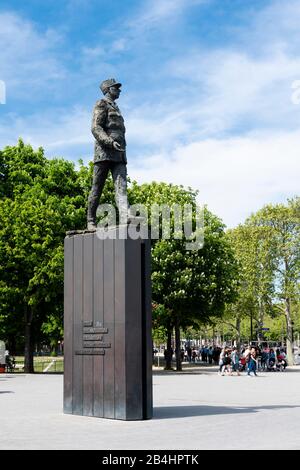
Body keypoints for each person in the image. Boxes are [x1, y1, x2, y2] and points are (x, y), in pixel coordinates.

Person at [87, 78, 129, 230]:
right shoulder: (101, 103)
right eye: (116, 87)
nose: (119, 90)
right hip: (104, 152)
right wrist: (109, 142)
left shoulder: (116, 107)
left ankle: (125, 216)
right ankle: (91, 220)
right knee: (97, 187)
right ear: (108, 89)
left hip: (119, 153)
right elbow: (96, 127)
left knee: (121, 186)